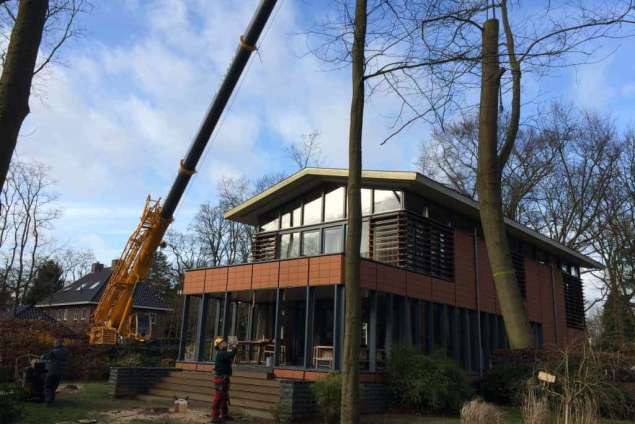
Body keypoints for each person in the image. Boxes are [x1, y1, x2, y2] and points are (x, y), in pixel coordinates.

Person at [211, 337, 238, 423]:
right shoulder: (221, 353)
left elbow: (230, 355)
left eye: (224, 342)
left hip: (223, 378)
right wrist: (234, 346)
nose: (224, 343)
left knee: (224, 398)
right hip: (221, 379)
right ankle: (215, 417)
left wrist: (233, 346)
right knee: (219, 398)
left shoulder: (223, 353)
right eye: (222, 342)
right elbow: (231, 355)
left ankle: (224, 416)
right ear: (219, 345)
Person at [42, 338, 68, 405]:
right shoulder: (65, 350)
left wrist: (43, 356)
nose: (54, 344)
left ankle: (48, 400)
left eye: (55, 343)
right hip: (60, 372)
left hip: (52, 371)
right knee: (54, 386)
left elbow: (47, 356)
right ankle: (51, 399)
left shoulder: (55, 351)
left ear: (59, 343)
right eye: (54, 343)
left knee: (48, 385)